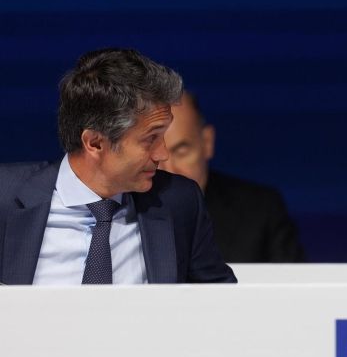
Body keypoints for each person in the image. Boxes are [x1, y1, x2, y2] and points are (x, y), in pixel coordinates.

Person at [0, 48, 236, 285]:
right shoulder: (6, 197)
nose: (162, 154)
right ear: (94, 143)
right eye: (150, 139)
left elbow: (220, 298)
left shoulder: (177, 201)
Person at [159, 92, 305, 262]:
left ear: (207, 142)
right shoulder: (130, 211)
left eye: (181, 152)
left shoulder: (261, 211)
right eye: (155, 155)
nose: (168, 171)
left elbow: (293, 278)